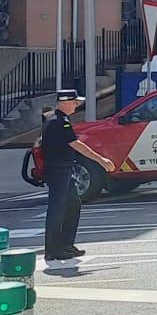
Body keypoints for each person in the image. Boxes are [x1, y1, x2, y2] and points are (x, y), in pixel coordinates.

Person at [40, 90, 111, 264]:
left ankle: (66, 244)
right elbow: (77, 145)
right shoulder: (58, 122)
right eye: (74, 102)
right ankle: (53, 249)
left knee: (73, 204)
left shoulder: (59, 120)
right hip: (58, 170)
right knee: (57, 209)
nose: (77, 105)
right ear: (64, 102)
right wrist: (101, 160)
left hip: (64, 169)